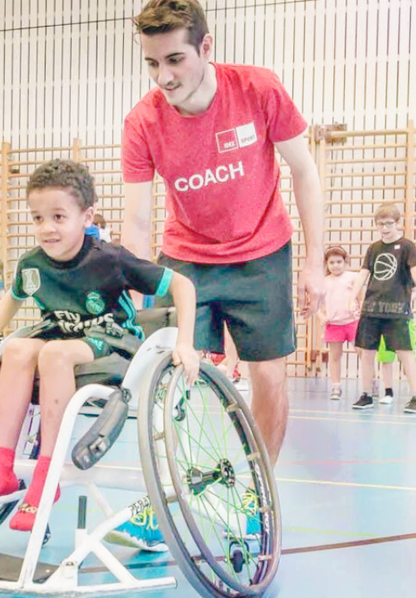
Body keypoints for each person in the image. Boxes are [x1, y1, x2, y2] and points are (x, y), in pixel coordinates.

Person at [121, 0, 324, 464]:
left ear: (205, 47)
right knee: (166, 372)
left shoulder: (258, 88)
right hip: (188, 259)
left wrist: (313, 263)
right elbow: (136, 219)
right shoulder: (143, 122)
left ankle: (259, 487)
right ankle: (171, 494)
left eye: (175, 60)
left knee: (269, 378)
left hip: (262, 252)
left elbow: (304, 171)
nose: (163, 77)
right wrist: (135, 287)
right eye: (152, 63)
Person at [0, 159, 199, 533]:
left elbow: (183, 286)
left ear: (87, 216)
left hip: (113, 341)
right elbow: (14, 294)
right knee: (18, 351)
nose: (46, 228)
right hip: (62, 333)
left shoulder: (110, 259)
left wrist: (185, 342)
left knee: (54, 354)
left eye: (58, 216)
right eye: (38, 218)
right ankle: (1, 468)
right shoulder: (32, 263)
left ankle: (46, 475)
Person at [350, 203, 416, 413]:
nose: (385, 228)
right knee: (367, 352)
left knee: (405, 353)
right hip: (372, 309)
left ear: (398, 223)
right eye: (381, 224)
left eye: (389, 224)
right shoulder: (373, 248)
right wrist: (352, 297)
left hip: (397, 310)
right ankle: (367, 394)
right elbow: (363, 273)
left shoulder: (407, 246)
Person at [317, 247, 359, 401]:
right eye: (332, 262)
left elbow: (361, 298)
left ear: (345, 262)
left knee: (363, 353)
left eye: (339, 262)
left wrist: (359, 312)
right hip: (333, 325)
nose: (335, 265)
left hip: (352, 322)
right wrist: (321, 315)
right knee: (335, 356)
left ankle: (370, 383)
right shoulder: (323, 282)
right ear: (326, 264)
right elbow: (316, 305)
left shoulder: (353, 277)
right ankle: (336, 386)